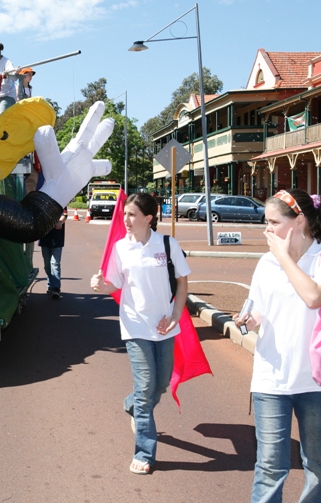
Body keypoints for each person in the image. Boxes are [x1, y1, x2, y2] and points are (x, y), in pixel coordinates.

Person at [234, 189, 321, 503]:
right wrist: (249, 319)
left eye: (273, 222)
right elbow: (258, 310)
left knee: (318, 461)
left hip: (315, 380)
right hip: (271, 377)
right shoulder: (267, 263)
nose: (266, 229)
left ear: (300, 222)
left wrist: (284, 257)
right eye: (265, 222)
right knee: (270, 464)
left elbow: (313, 297)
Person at [90, 193, 190, 475]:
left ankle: (131, 403)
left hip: (165, 326)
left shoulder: (168, 245)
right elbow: (114, 285)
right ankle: (144, 453)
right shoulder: (121, 248)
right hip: (135, 325)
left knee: (159, 385)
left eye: (132, 214)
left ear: (149, 217)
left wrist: (175, 317)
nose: (126, 220)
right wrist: (100, 285)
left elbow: (182, 283)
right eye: (124, 215)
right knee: (147, 388)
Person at [39, 206, 67, 299]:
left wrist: (60, 222)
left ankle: (55, 288)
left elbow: (64, 215)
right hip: (45, 237)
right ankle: (50, 284)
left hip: (57, 238)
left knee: (54, 263)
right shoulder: (42, 202)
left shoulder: (61, 201)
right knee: (47, 264)